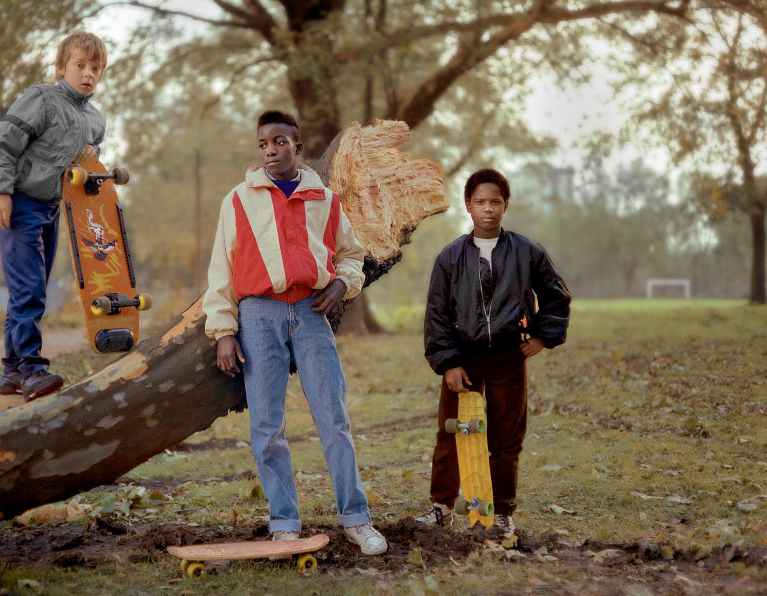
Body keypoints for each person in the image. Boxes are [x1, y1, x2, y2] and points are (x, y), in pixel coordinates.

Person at [202, 110, 388, 556]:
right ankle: (284, 522)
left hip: (309, 312)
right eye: (263, 143)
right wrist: (224, 330)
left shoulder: (324, 198)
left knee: (333, 417)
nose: (271, 150)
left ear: (297, 146)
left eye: (280, 142)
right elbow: (221, 269)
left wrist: (343, 284)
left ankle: (356, 518)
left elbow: (350, 255)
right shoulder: (239, 200)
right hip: (258, 316)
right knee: (267, 424)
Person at [419, 167, 571, 534]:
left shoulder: (528, 251)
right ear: (468, 206)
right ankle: (442, 505)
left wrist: (541, 337)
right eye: (480, 202)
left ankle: (502, 511)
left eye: (495, 202)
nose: (488, 209)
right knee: (451, 433)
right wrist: (448, 363)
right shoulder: (451, 256)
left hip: (508, 359)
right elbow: (437, 314)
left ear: (506, 205)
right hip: (464, 360)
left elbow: (556, 297)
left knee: (506, 438)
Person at [0, 32, 108, 400]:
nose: (88, 74)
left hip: (53, 208)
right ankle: (33, 369)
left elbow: (85, 167)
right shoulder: (42, 99)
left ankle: (11, 371)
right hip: (19, 204)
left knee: (30, 290)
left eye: (95, 68)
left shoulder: (95, 120)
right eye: (80, 65)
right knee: (29, 290)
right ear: (61, 67)